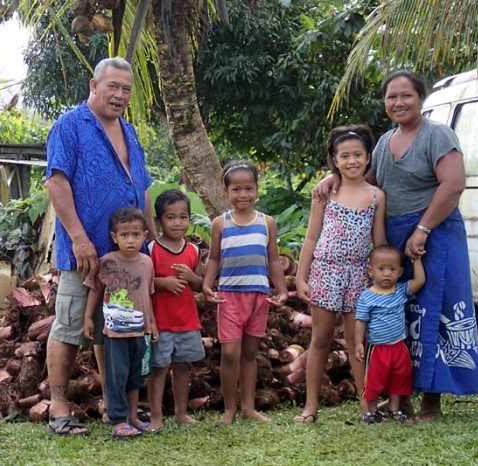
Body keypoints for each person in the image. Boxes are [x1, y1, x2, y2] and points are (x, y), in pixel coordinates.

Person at [316, 70, 478, 420]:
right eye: (392, 97)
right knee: (401, 315)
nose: (399, 102)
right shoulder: (384, 142)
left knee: (435, 310)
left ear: (421, 98)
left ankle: (432, 400)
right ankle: (401, 398)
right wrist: (332, 176)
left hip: (435, 232)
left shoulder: (438, 134)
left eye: (406, 95)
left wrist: (423, 228)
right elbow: (361, 178)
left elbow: (453, 184)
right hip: (395, 241)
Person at [45, 56, 155, 435]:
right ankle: (58, 408)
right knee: (72, 324)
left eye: (126, 89)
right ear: (94, 86)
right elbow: (56, 183)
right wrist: (78, 238)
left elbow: (141, 185)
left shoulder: (130, 131)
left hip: (126, 256)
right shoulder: (70, 126)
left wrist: (150, 239)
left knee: (116, 328)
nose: (120, 95)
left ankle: (115, 407)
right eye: (113, 87)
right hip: (87, 251)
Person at [293, 125, 387, 424]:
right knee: (320, 339)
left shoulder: (376, 196)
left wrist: (381, 278)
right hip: (325, 271)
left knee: (356, 341)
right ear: (334, 160)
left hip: (359, 274)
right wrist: (300, 276)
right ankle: (310, 407)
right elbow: (311, 237)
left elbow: (380, 241)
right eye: (344, 156)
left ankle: (367, 405)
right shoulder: (325, 192)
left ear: (368, 157)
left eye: (358, 154)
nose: (352, 161)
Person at [202, 161, 289, 425]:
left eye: (249, 188)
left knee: (250, 353)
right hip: (229, 297)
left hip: (258, 297)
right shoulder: (220, 223)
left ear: (256, 189)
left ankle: (248, 408)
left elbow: (273, 259)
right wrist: (207, 285)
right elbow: (214, 258)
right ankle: (230, 409)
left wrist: (282, 289)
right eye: (236, 189)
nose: (243, 195)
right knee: (230, 354)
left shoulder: (267, 223)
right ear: (226, 190)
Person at [83, 207, 159, 439]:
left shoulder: (147, 263)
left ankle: (133, 416)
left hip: (140, 331)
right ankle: (117, 419)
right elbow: (95, 290)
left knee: (136, 376)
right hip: (115, 333)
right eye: (124, 235)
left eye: (136, 235)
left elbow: (148, 295)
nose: (130, 240)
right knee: (117, 376)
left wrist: (152, 324)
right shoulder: (107, 262)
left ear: (145, 235)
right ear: (114, 237)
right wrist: (88, 318)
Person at [146, 189, 206, 430]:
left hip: (187, 321)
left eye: (183, 217)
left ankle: (181, 412)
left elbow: (201, 283)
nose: (178, 223)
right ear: (159, 221)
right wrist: (163, 282)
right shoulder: (151, 249)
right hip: (160, 323)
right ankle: (156, 416)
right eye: (170, 217)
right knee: (158, 369)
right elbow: (143, 283)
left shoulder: (192, 250)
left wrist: (191, 276)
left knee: (182, 367)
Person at [355, 245, 425, 425]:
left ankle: (395, 410)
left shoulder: (400, 291)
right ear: (370, 271)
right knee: (373, 380)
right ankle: (371, 411)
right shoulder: (366, 297)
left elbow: (419, 281)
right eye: (381, 269)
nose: (387, 274)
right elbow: (361, 321)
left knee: (399, 378)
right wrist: (358, 344)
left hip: (398, 346)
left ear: (400, 272)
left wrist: (416, 261)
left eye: (392, 269)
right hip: (377, 348)